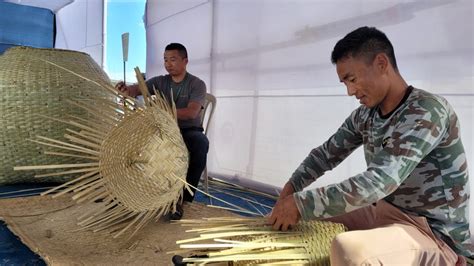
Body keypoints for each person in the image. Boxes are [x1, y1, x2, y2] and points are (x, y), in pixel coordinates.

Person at [268, 26, 473, 265]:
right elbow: (324, 155)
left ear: (381, 63)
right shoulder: (366, 115)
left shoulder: (427, 111)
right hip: (385, 211)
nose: (350, 91)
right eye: (344, 82)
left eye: (352, 79)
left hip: (432, 233)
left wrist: (301, 204)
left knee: (349, 250)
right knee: (310, 221)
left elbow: (381, 180)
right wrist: (290, 191)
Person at [116, 43, 209, 220]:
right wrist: (127, 90)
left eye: (173, 59)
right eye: (165, 60)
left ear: (185, 61)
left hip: (187, 131)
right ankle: (132, 193)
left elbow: (191, 113)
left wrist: (163, 110)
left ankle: (182, 199)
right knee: (133, 139)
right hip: (162, 132)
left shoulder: (197, 84)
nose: (168, 64)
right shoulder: (160, 81)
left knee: (201, 143)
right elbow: (137, 90)